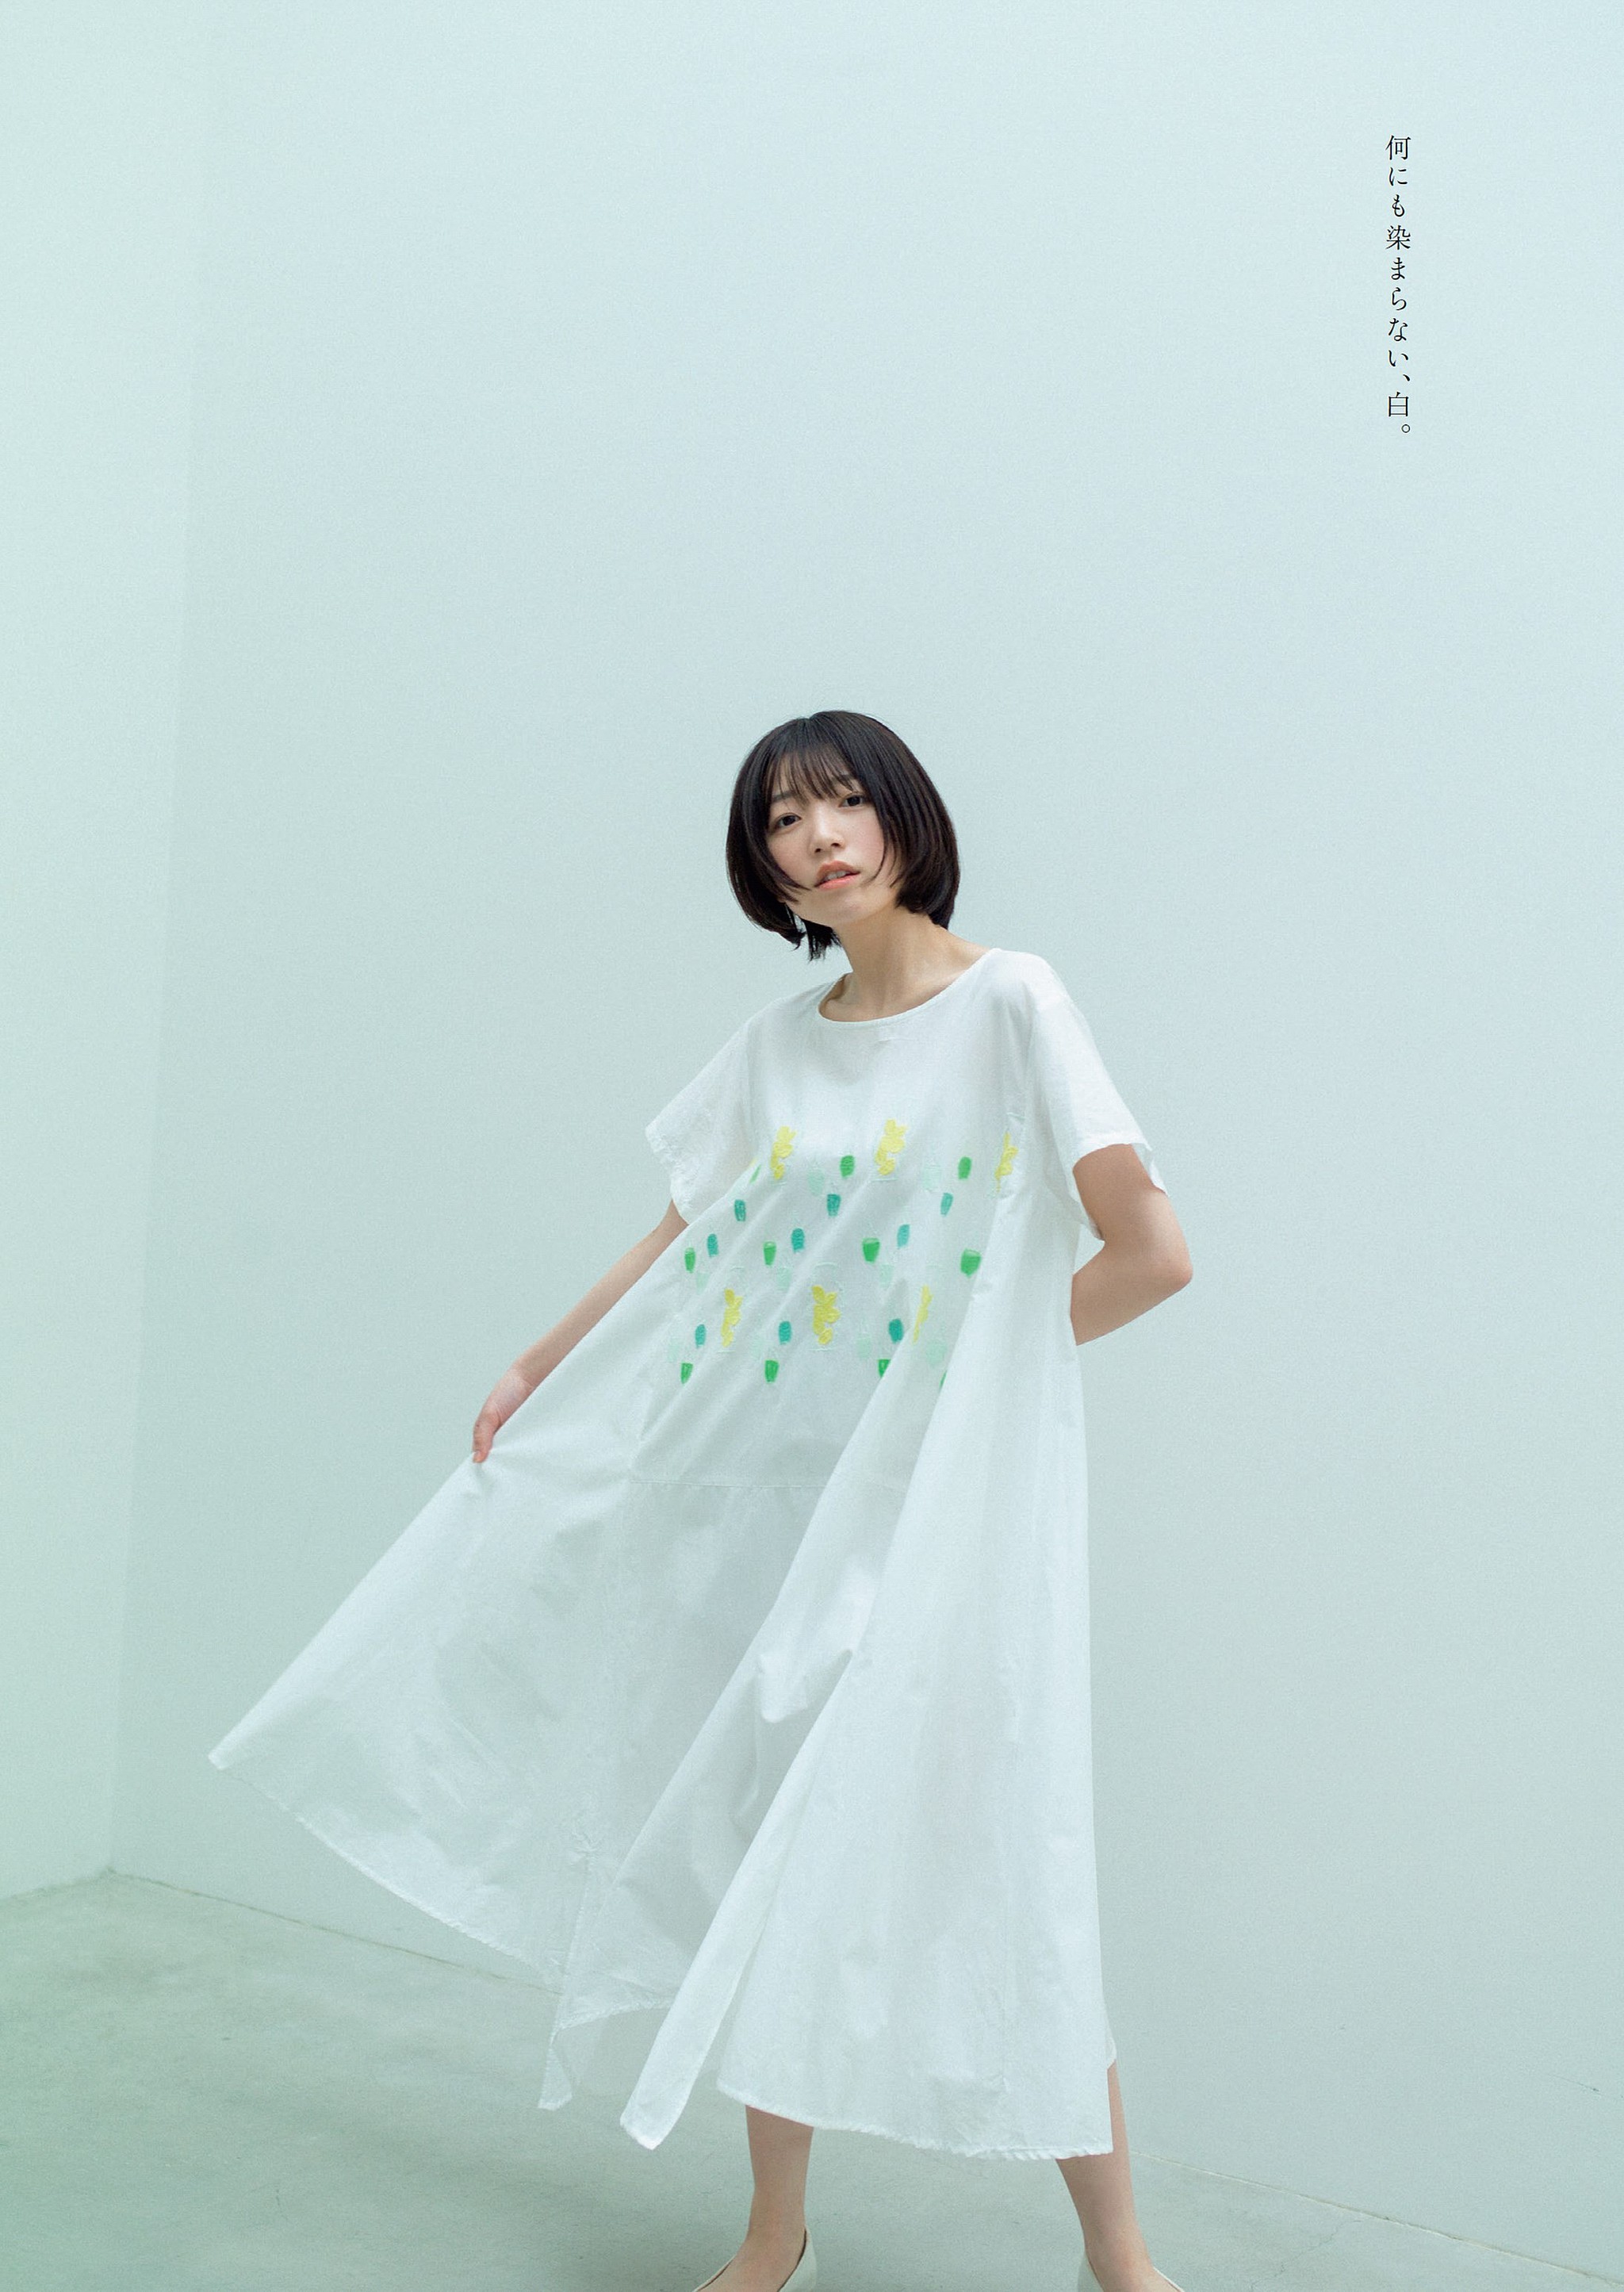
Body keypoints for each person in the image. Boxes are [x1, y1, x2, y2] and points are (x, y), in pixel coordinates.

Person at [209, 711, 1193, 2292]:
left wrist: (963, 1388)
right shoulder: (778, 1045)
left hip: (934, 1522)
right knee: (761, 1862)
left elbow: (1151, 1252)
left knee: (1005, 1858)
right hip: (762, 1501)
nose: (821, 837)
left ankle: (1121, 2255)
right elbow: (684, 1239)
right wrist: (538, 1363)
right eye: (785, 820)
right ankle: (771, 2230)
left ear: (904, 816)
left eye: (845, 801)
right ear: (764, 867)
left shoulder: (1015, 1001)